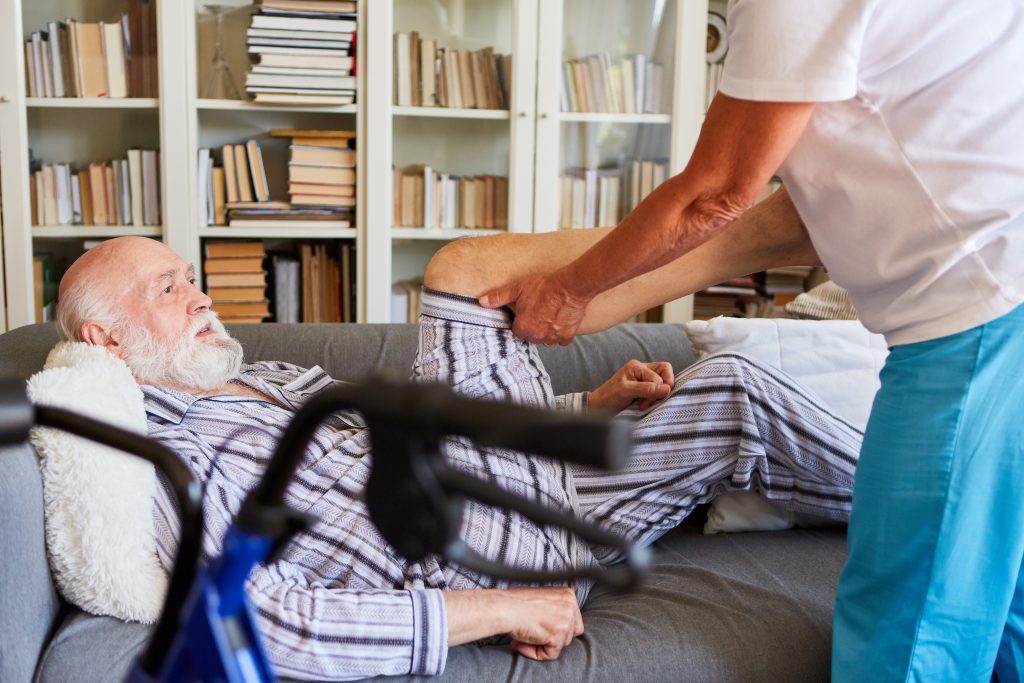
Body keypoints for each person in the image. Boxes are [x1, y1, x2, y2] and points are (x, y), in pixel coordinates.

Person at [480, 1, 1024, 680]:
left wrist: (569, 291)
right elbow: (803, 212)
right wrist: (592, 293)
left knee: (906, 630)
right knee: (996, 609)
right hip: (996, 302)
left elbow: (713, 194)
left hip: (982, 315)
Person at [55, 236, 862, 680]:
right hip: (480, 550)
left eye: (191, 279)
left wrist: (587, 408)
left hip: (518, 491)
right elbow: (279, 622)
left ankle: (959, 506)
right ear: (104, 338)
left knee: (733, 392)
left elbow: (424, 422)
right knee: (462, 276)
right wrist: (507, 608)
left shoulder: (258, 377)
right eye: (167, 290)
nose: (200, 296)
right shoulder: (163, 457)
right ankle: (747, 229)